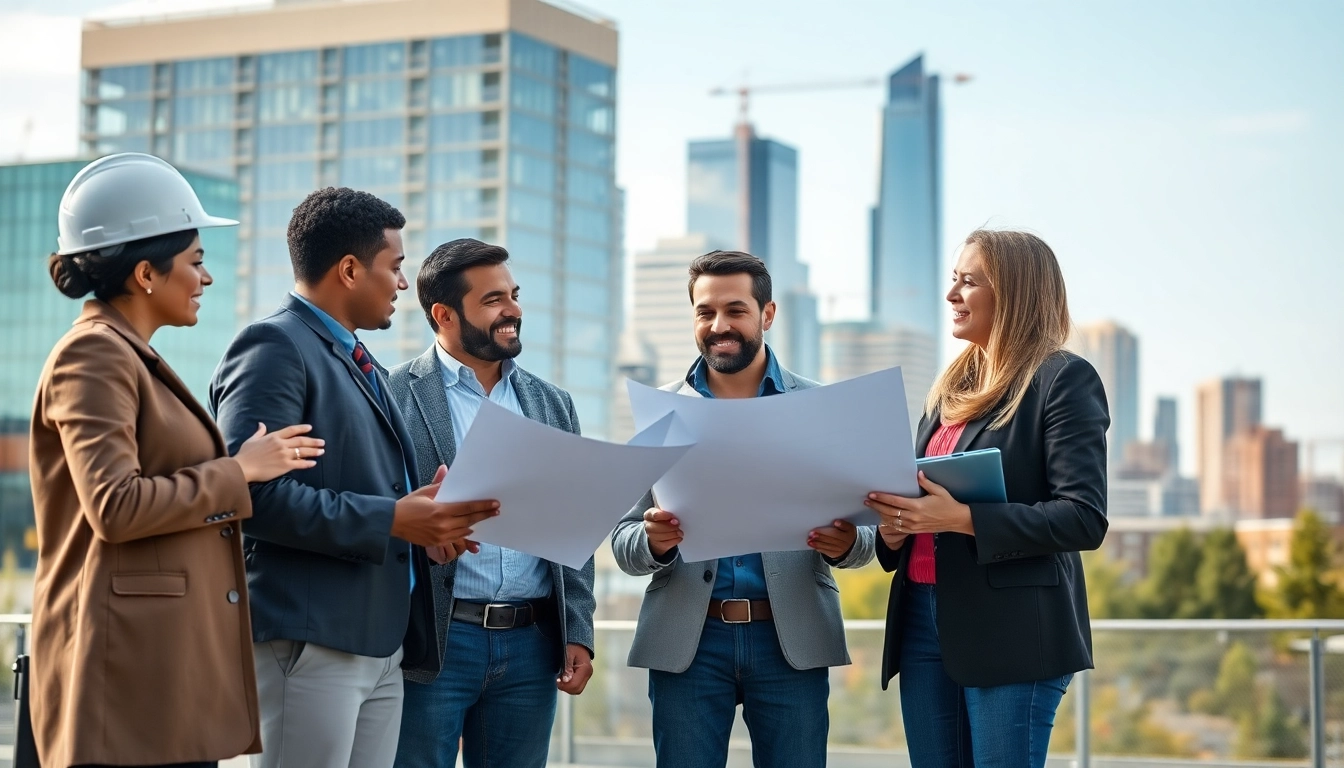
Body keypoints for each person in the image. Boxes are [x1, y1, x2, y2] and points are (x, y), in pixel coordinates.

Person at [29, 153, 321, 768]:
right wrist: (238, 470)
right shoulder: (95, 355)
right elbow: (115, 506)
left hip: (158, 674)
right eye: (195, 261)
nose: (206, 278)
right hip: (124, 676)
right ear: (145, 274)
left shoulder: (129, 354)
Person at [209, 188, 500, 768]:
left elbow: (362, 492)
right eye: (394, 267)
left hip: (378, 644)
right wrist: (394, 519)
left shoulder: (360, 359)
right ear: (349, 270)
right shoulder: (274, 346)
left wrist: (421, 524)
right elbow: (251, 495)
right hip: (311, 642)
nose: (400, 284)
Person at [610, 250, 875, 768]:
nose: (718, 325)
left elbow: (867, 535)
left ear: (767, 314)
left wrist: (848, 544)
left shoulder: (820, 408)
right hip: (689, 640)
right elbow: (622, 542)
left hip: (789, 638)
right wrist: (653, 542)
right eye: (705, 312)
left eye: (735, 310)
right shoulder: (660, 411)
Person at [865, 229, 1109, 768]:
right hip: (923, 623)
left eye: (968, 282)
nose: (951, 295)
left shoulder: (1062, 379)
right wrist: (895, 527)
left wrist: (964, 519)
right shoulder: (950, 390)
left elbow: (1084, 518)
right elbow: (921, 495)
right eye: (953, 280)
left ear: (1015, 293)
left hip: (1013, 631)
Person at [388, 238, 596, 768]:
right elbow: (381, 515)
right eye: (493, 300)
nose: (513, 311)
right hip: (435, 641)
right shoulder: (392, 394)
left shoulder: (552, 403)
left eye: (514, 295)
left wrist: (580, 631)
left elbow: (575, 526)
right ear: (444, 314)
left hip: (532, 646)